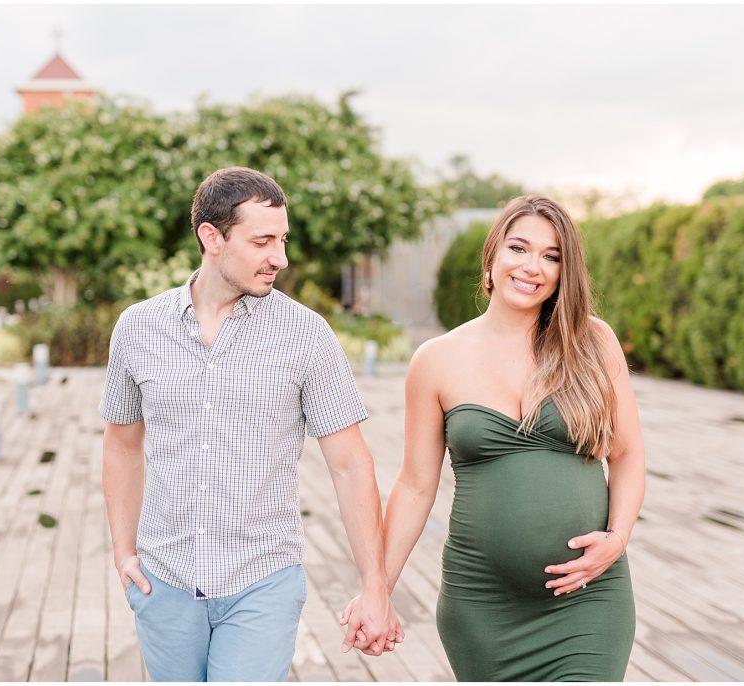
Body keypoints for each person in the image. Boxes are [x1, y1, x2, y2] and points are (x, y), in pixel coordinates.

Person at [99, 167, 398, 682]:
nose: (279, 258)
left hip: (262, 582)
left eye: (282, 240)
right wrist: (124, 552)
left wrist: (376, 587)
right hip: (163, 583)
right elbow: (122, 443)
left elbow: (351, 466)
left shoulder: (306, 335)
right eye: (262, 241)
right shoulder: (138, 327)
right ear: (211, 238)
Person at [343, 195, 645, 680]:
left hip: (589, 601)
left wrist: (618, 537)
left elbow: (627, 454)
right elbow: (417, 485)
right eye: (519, 248)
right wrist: (378, 588)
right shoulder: (436, 359)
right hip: (481, 605)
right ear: (492, 258)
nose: (533, 266)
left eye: (552, 256)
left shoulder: (593, 341)